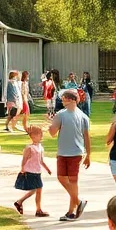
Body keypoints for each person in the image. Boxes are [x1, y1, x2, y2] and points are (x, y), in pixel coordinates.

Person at [49, 88, 91, 221]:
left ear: (71, 99)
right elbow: (53, 132)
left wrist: (89, 155)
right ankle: (78, 202)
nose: (62, 100)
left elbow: (86, 137)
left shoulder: (78, 116)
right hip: (64, 152)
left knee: (73, 181)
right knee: (63, 178)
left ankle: (71, 212)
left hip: (75, 153)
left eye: (64, 98)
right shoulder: (61, 114)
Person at [14, 124, 53, 217]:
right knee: (36, 189)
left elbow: (41, 160)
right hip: (30, 171)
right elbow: (24, 159)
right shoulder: (29, 148)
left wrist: (47, 169)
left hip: (37, 171)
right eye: (40, 135)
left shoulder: (40, 147)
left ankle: (22, 203)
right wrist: (22, 168)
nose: (41, 137)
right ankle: (35, 208)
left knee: (37, 189)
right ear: (33, 136)